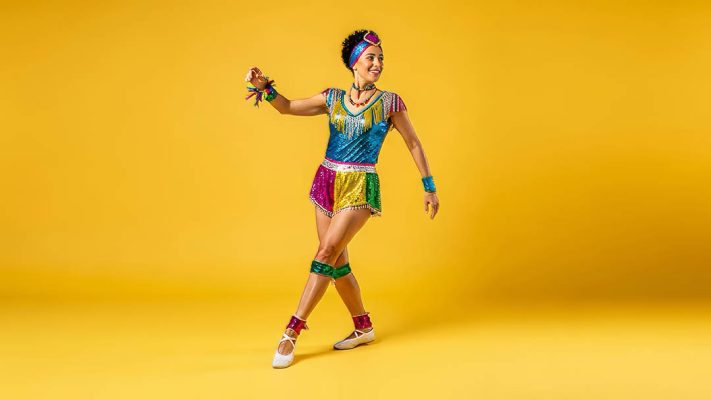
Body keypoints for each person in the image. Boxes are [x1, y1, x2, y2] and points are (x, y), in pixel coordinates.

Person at [244, 29, 440, 369]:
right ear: (355, 63)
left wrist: (429, 186)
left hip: (360, 183)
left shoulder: (391, 103)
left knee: (325, 253)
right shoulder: (332, 98)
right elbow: (287, 108)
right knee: (336, 263)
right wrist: (265, 88)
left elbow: (413, 142)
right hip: (326, 180)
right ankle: (363, 326)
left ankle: (292, 331)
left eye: (380, 58)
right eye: (371, 58)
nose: (377, 64)